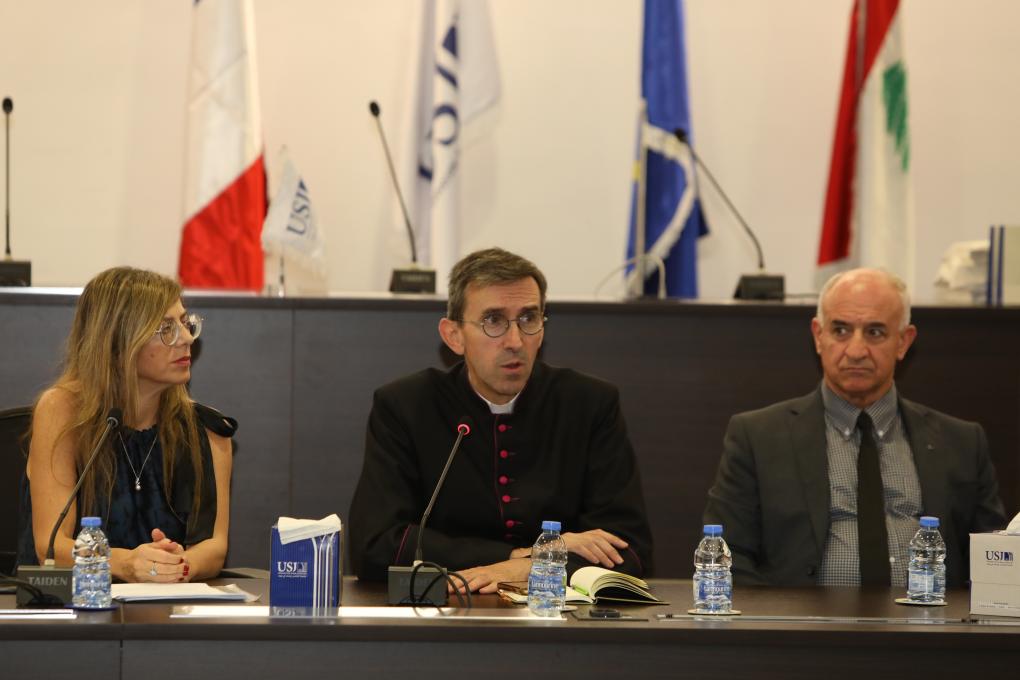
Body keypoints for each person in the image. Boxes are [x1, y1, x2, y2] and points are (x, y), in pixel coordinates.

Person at [349, 248, 653, 592]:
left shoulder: (589, 404)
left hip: (558, 615)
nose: (515, 341)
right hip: (448, 612)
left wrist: (523, 569)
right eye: (493, 320)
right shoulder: (406, 406)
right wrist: (518, 558)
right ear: (454, 336)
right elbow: (374, 546)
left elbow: (629, 548)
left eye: (528, 318)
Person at [704, 268, 1006, 588]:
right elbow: (729, 555)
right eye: (841, 330)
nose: (856, 351)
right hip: (802, 619)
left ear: (903, 342)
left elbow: (994, 562)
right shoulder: (757, 437)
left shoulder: (961, 442)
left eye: (875, 332)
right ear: (818, 336)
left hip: (927, 617)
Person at [19, 267, 236, 582]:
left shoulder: (206, 430)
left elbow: (213, 548)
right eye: (167, 328)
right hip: (73, 605)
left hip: (165, 606)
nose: (188, 337)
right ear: (118, 342)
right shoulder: (62, 412)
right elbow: (51, 547)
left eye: (185, 323)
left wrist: (174, 566)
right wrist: (125, 563)